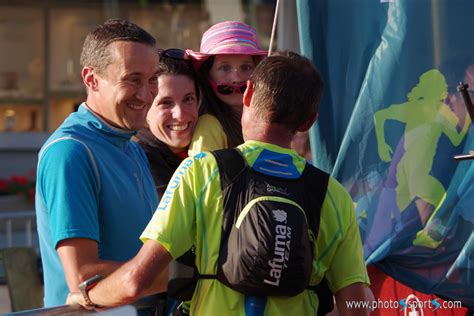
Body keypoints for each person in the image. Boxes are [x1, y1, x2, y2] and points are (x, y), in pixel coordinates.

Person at [67, 52, 370, 315]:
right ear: (309, 121)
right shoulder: (333, 195)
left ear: (248, 94)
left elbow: (136, 281)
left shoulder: (202, 170)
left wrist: (87, 295)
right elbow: (357, 305)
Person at [35, 19, 165, 310]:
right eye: (133, 79)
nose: (146, 95)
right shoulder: (70, 152)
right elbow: (83, 277)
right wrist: (188, 274)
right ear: (91, 79)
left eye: (152, 79)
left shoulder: (131, 146)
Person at [186, 21, 267, 154]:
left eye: (246, 67)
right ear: (207, 75)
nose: (237, 79)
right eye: (225, 68)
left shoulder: (266, 120)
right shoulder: (208, 126)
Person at [136, 49, 200, 197]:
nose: (180, 115)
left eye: (188, 99)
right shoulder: (140, 164)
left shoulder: (216, 141)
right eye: (166, 103)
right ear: (145, 107)